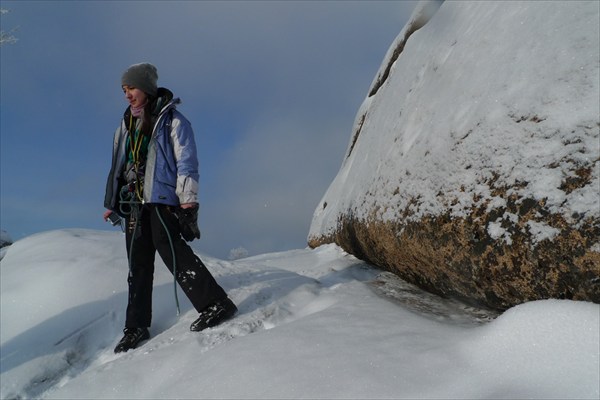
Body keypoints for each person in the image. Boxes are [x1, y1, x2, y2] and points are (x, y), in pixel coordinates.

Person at [103, 62, 237, 353]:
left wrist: (188, 201)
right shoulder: (124, 126)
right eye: (124, 90)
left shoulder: (173, 121)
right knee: (137, 265)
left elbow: (187, 162)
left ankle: (216, 304)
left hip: (162, 201)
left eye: (132, 88)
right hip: (134, 203)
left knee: (173, 253)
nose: (127, 95)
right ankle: (135, 326)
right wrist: (113, 204)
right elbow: (118, 167)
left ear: (147, 89)